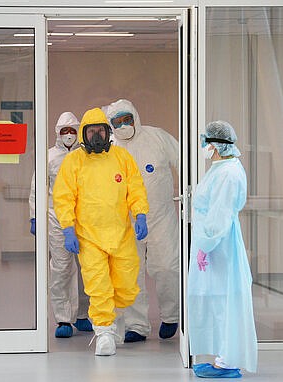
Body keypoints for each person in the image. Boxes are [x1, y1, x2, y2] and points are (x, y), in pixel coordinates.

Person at [53, 107, 149, 356]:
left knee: (127, 285)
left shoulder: (122, 158)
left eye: (101, 131)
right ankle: (104, 331)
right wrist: (68, 229)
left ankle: (113, 318)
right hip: (89, 236)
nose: (96, 136)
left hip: (121, 234)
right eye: (91, 131)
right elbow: (63, 197)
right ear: (83, 135)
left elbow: (136, 187)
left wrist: (140, 214)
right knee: (98, 285)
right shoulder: (74, 161)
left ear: (108, 133)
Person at [105, 99, 179, 342]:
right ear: (111, 125)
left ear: (135, 115)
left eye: (128, 118)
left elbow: (184, 162)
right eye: (118, 122)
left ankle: (172, 315)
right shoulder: (110, 146)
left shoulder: (157, 137)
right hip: (125, 220)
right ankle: (136, 325)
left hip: (160, 216)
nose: (124, 125)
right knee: (130, 273)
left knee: (167, 266)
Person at [188, 120, 257, 378]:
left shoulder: (228, 173)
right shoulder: (221, 168)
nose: (204, 145)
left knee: (225, 301)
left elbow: (220, 214)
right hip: (216, 245)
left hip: (220, 246)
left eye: (206, 141)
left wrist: (206, 246)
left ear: (215, 145)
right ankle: (222, 357)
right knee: (217, 300)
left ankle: (228, 362)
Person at [28, 111, 92, 338]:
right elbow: (38, 188)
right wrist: (35, 216)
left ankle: (83, 315)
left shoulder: (86, 156)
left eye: (72, 131)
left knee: (88, 268)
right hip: (56, 217)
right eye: (64, 131)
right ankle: (63, 318)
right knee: (61, 268)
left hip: (84, 217)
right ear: (57, 133)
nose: (68, 135)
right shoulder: (48, 157)